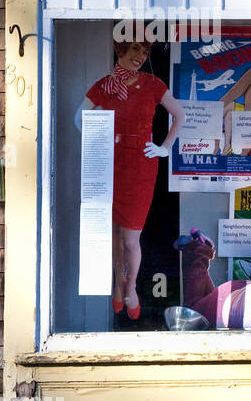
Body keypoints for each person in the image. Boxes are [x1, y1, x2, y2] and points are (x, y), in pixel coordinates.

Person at [76, 38, 185, 320]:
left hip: (140, 166)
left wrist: (164, 148)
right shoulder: (104, 85)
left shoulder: (152, 84)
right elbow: (79, 118)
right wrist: (97, 135)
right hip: (110, 163)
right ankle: (116, 284)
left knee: (130, 238)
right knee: (114, 234)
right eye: (136, 49)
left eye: (145, 52)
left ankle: (131, 287)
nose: (140, 56)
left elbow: (180, 115)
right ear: (121, 51)